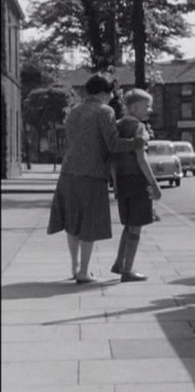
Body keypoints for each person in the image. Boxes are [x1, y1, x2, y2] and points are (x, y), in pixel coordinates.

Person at [47, 73, 148, 284]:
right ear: (103, 93)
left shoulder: (74, 111)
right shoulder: (105, 111)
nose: (111, 98)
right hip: (91, 175)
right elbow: (113, 144)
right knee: (88, 224)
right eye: (110, 94)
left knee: (72, 223)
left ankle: (75, 267)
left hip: (67, 172)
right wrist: (137, 142)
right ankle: (84, 272)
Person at [109, 88, 162, 282]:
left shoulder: (116, 125)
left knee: (129, 224)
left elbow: (112, 158)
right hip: (137, 180)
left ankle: (119, 263)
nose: (149, 110)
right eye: (147, 106)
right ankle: (127, 270)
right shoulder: (139, 127)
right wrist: (154, 184)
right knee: (136, 226)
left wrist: (115, 184)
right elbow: (142, 158)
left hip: (122, 181)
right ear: (135, 106)